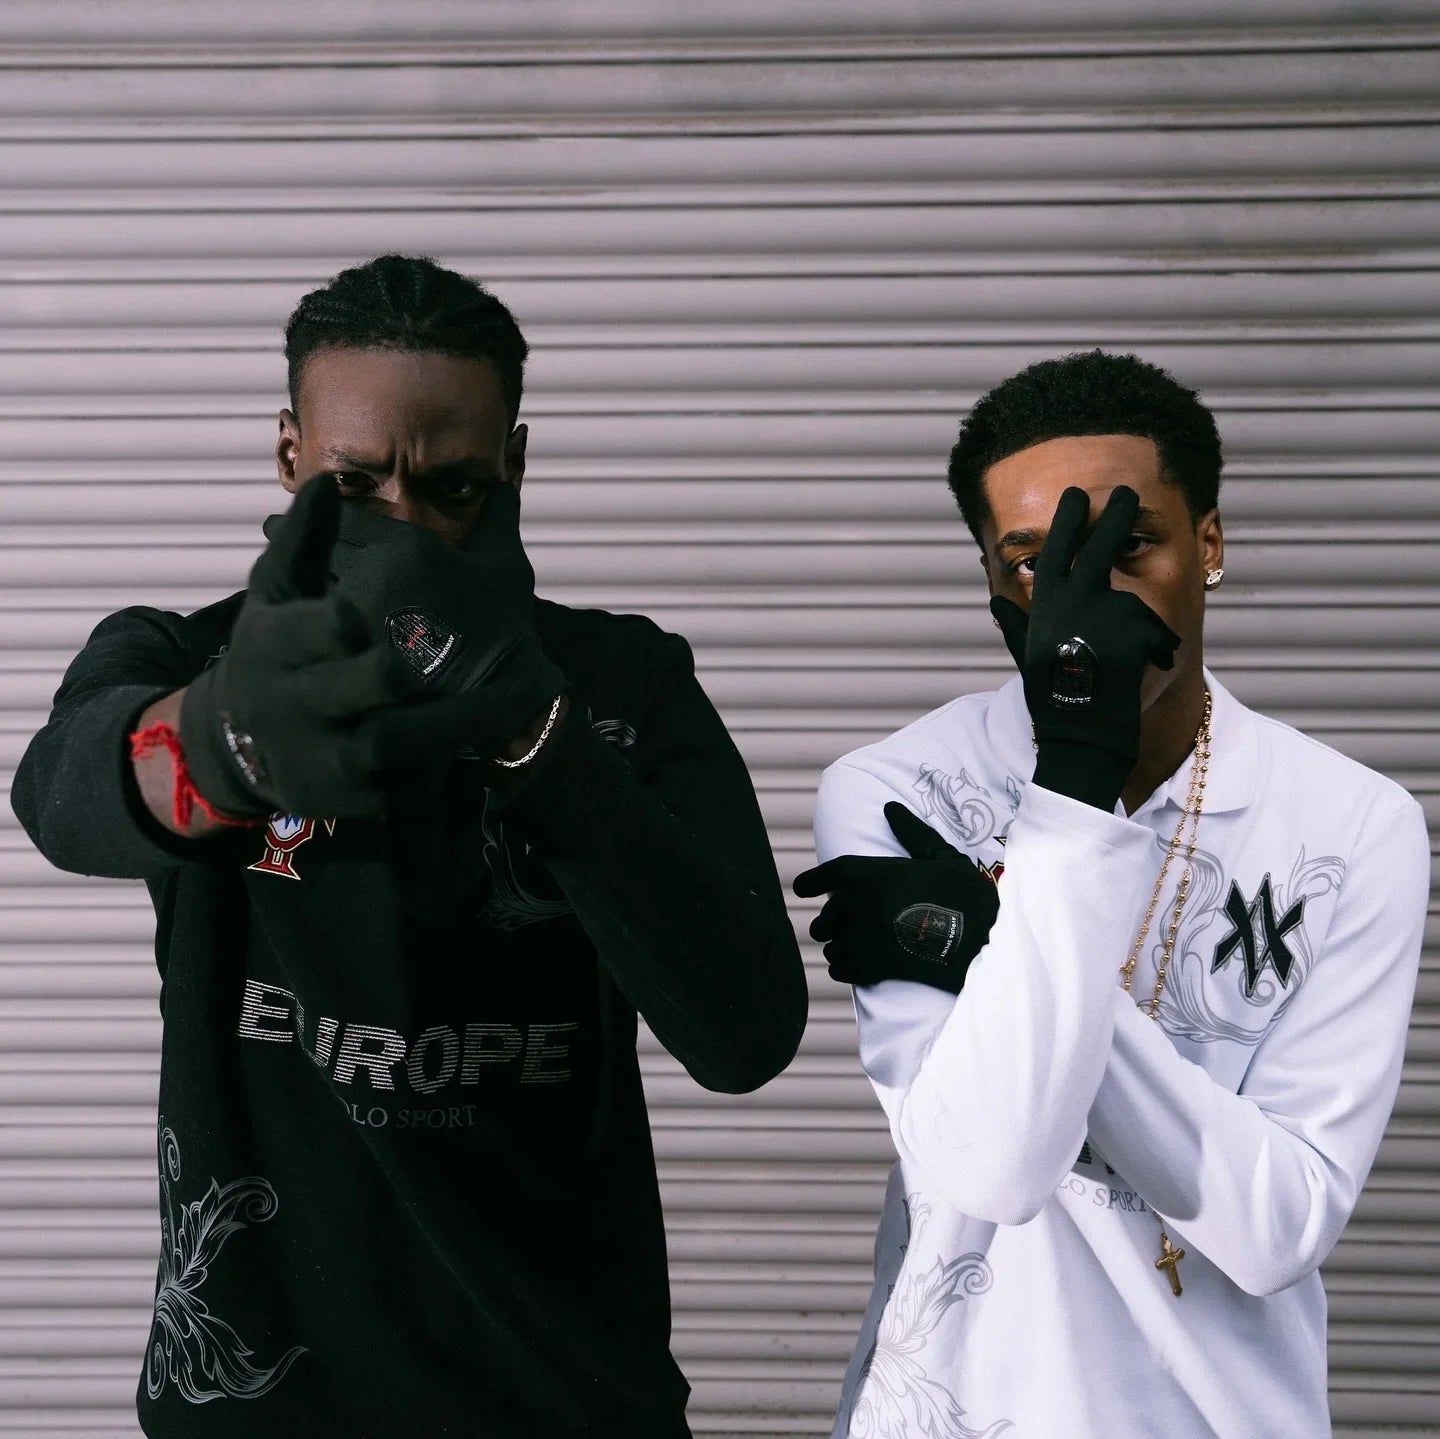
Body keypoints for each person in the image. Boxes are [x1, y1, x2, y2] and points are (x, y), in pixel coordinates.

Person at [11, 253, 808, 1438]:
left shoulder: (622, 682)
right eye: (356, 483)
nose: (407, 525)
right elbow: (63, 795)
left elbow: (745, 1032)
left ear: (516, 467)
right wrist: (226, 740)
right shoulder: (181, 657)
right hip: (264, 1407)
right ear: (290, 457)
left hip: (563, 1402)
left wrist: (538, 730)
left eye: (454, 488)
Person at [794, 350, 1429, 1438]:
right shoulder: (901, 792)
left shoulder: (1352, 822)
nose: (1083, 597)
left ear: (1209, 546)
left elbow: (1279, 1225)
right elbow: (993, 1166)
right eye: (1037, 559)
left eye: (1128, 545)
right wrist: (1077, 776)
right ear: (993, 581)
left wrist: (987, 941)